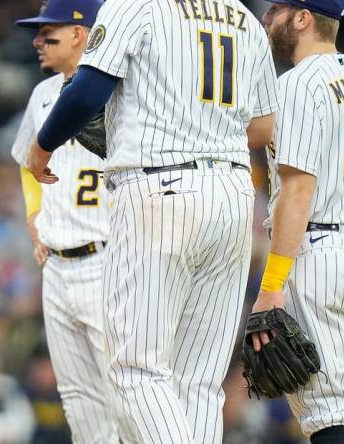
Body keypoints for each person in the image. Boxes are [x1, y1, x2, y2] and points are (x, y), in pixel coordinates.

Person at [26, 0, 279, 441]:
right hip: (234, 195)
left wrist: (41, 147)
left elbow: (85, 93)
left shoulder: (135, 4)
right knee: (198, 380)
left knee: (135, 368)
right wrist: (203, 134)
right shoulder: (244, 17)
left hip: (159, 190)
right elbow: (264, 126)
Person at [252, 1, 344, 443]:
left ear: (303, 18)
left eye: (277, 9)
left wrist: (271, 286)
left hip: (315, 253)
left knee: (325, 417)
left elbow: (298, 190)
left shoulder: (296, 84)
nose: (266, 17)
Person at [11, 0, 123, 442]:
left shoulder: (121, 91)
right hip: (56, 267)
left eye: (48, 33)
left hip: (108, 260)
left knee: (125, 391)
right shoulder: (41, 94)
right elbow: (26, 159)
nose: (38, 41)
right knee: (78, 397)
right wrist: (33, 212)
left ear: (80, 34)